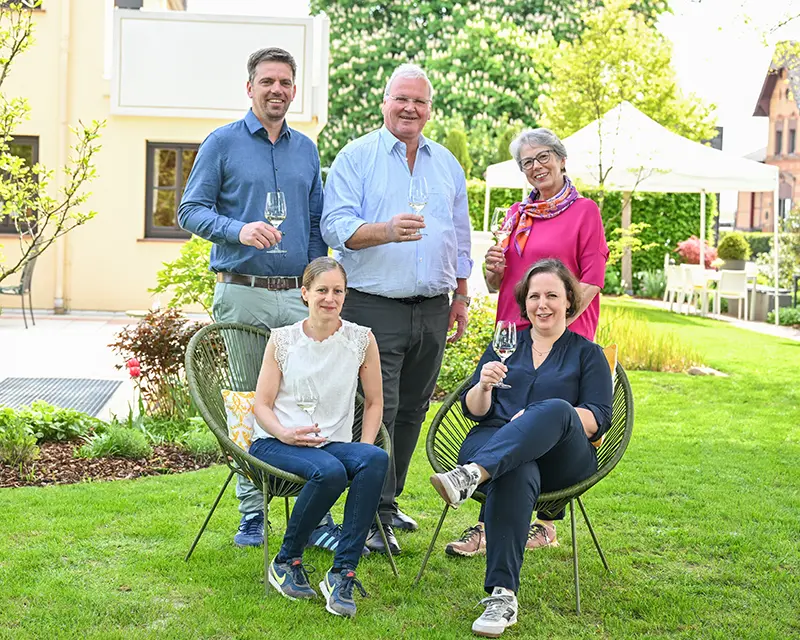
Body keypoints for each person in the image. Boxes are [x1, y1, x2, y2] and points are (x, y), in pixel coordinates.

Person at [178, 47, 341, 552]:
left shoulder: (307, 150)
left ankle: (313, 513)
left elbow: (315, 226)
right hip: (243, 294)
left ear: (295, 90)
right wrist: (238, 230)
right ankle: (252, 513)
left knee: (312, 398)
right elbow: (189, 211)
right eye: (267, 81)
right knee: (250, 403)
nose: (277, 90)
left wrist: (316, 286)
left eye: (286, 83)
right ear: (250, 87)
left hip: (297, 299)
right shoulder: (222, 143)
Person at [321, 63, 472, 555]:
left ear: (430, 110)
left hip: (432, 306)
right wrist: (386, 230)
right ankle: (362, 516)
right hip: (373, 306)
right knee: (373, 410)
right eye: (401, 99)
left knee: (411, 410)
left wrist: (462, 296)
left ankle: (387, 504)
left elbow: (460, 236)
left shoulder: (446, 163)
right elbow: (335, 226)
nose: (410, 108)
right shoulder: (357, 156)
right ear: (384, 102)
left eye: (420, 102)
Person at [446, 128, 609, 558]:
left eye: (543, 158)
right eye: (527, 162)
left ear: (561, 159)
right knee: (506, 414)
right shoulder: (517, 214)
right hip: (512, 334)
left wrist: (554, 324)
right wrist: (491, 269)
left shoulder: (584, 211)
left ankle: (541, 523)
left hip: (562, 331)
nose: (536, 167)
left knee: (548, 417)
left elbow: (592, 280)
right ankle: (489, 523)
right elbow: (501, 281)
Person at [429, 259, 613, 638]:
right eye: (534, 296)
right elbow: (473, 411)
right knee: (516, 469)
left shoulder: (587, 354)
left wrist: (536, 417)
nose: (542, 304)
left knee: (556, 409)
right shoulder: (504, 344)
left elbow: (597, 418)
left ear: (569, 302)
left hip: (562, 456)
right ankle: (502, 596)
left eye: (552, 295)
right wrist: (482, 385)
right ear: (523, 301)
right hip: (494, 439)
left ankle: (471, 476)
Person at [251, 257, 388, 619]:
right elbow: (261, 405)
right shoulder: (283, 340)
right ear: (305, 293)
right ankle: (285, 561)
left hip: (331, 442)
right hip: (276, 440)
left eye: (337, 291)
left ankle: (342, 572)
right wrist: (284, 432)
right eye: (322, 290)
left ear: (346, 295)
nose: (330, 298)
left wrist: (366, 444)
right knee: (329, 472)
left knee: (374, 459)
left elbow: (374, 403)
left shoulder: (361, 339)